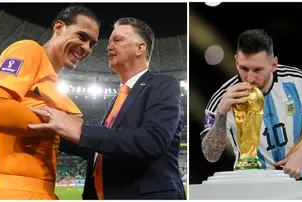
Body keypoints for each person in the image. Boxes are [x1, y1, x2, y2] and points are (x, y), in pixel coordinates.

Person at [28, 17, 186, 199]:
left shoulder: (162, 85)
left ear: (140, 48)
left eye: (118, 40)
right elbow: (100, 150)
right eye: (109, 41)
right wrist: (54, 130)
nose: (109, 46)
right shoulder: (117, 101)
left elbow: (152, 140)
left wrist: (80, 130)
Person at [0, 5, 100, 199]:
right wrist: (56, 123)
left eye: (92, 44)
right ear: (59, 27)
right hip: (15, 194)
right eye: (82, 37)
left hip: (40, 193)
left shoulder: (52, 82)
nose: (86, 48)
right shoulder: (29, 50)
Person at [200, 29, 302, 180]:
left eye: (258, 70)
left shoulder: (296, 81)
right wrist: (222, 114)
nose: (250, 78)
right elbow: (210, 155)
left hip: (295, 181)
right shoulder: (222, 99)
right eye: (243, 68)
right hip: (250, 186)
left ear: (273, 64)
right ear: (236, 61)